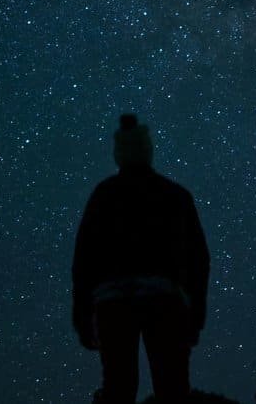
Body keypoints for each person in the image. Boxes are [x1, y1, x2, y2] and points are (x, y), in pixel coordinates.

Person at [72, 114, 211, 404]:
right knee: (172, 387)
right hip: (165, 300)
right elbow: (199, 259)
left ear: (118, 153)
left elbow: (84, 259)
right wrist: (196, 315)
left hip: (113, 302)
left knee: (118, 387)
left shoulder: (104, 195)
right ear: (148, 150)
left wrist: (83, 315)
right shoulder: (175, 195)